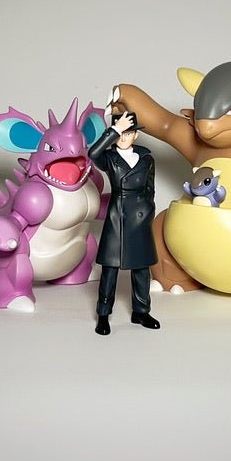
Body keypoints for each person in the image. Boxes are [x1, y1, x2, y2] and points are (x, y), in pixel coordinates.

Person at [87, 111, 160, 336]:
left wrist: (148, 210)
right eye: (120, 133)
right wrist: (114, 129)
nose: (124, 138)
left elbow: (150, 188)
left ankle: (141, 311)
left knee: (141, 268)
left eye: (128, 133)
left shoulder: (146, 158)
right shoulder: (109, 158)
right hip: (117, 216)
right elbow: (93, 153)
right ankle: (103, 315)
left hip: (140, 216)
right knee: (110, 268)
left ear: (136, 135)